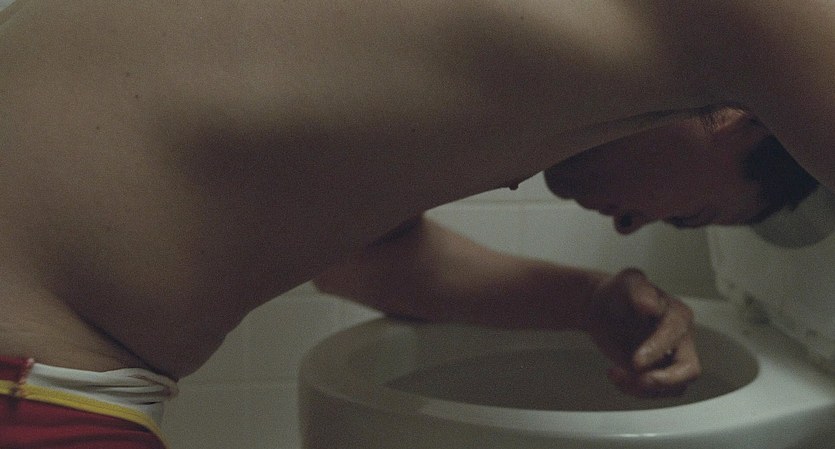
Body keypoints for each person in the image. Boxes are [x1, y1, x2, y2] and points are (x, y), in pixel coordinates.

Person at [1, 1, 833, 448]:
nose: (629, 226)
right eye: (689, 215)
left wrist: (589, 304)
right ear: (743, 113)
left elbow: (368, 264)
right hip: (31, 377)